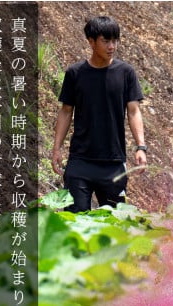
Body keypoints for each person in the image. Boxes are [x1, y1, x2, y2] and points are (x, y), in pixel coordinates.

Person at [51, 16, 147, 212]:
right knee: (73, 223)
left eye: (115, 40)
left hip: (113, 163)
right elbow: (66, 111)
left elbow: (133, 111)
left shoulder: (126, 73)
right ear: (91, 41)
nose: (112, 46)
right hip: (79, 162)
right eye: (106, 41)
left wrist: (141, 146)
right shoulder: (75, 73)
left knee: (113, 226)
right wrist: (57, 148)